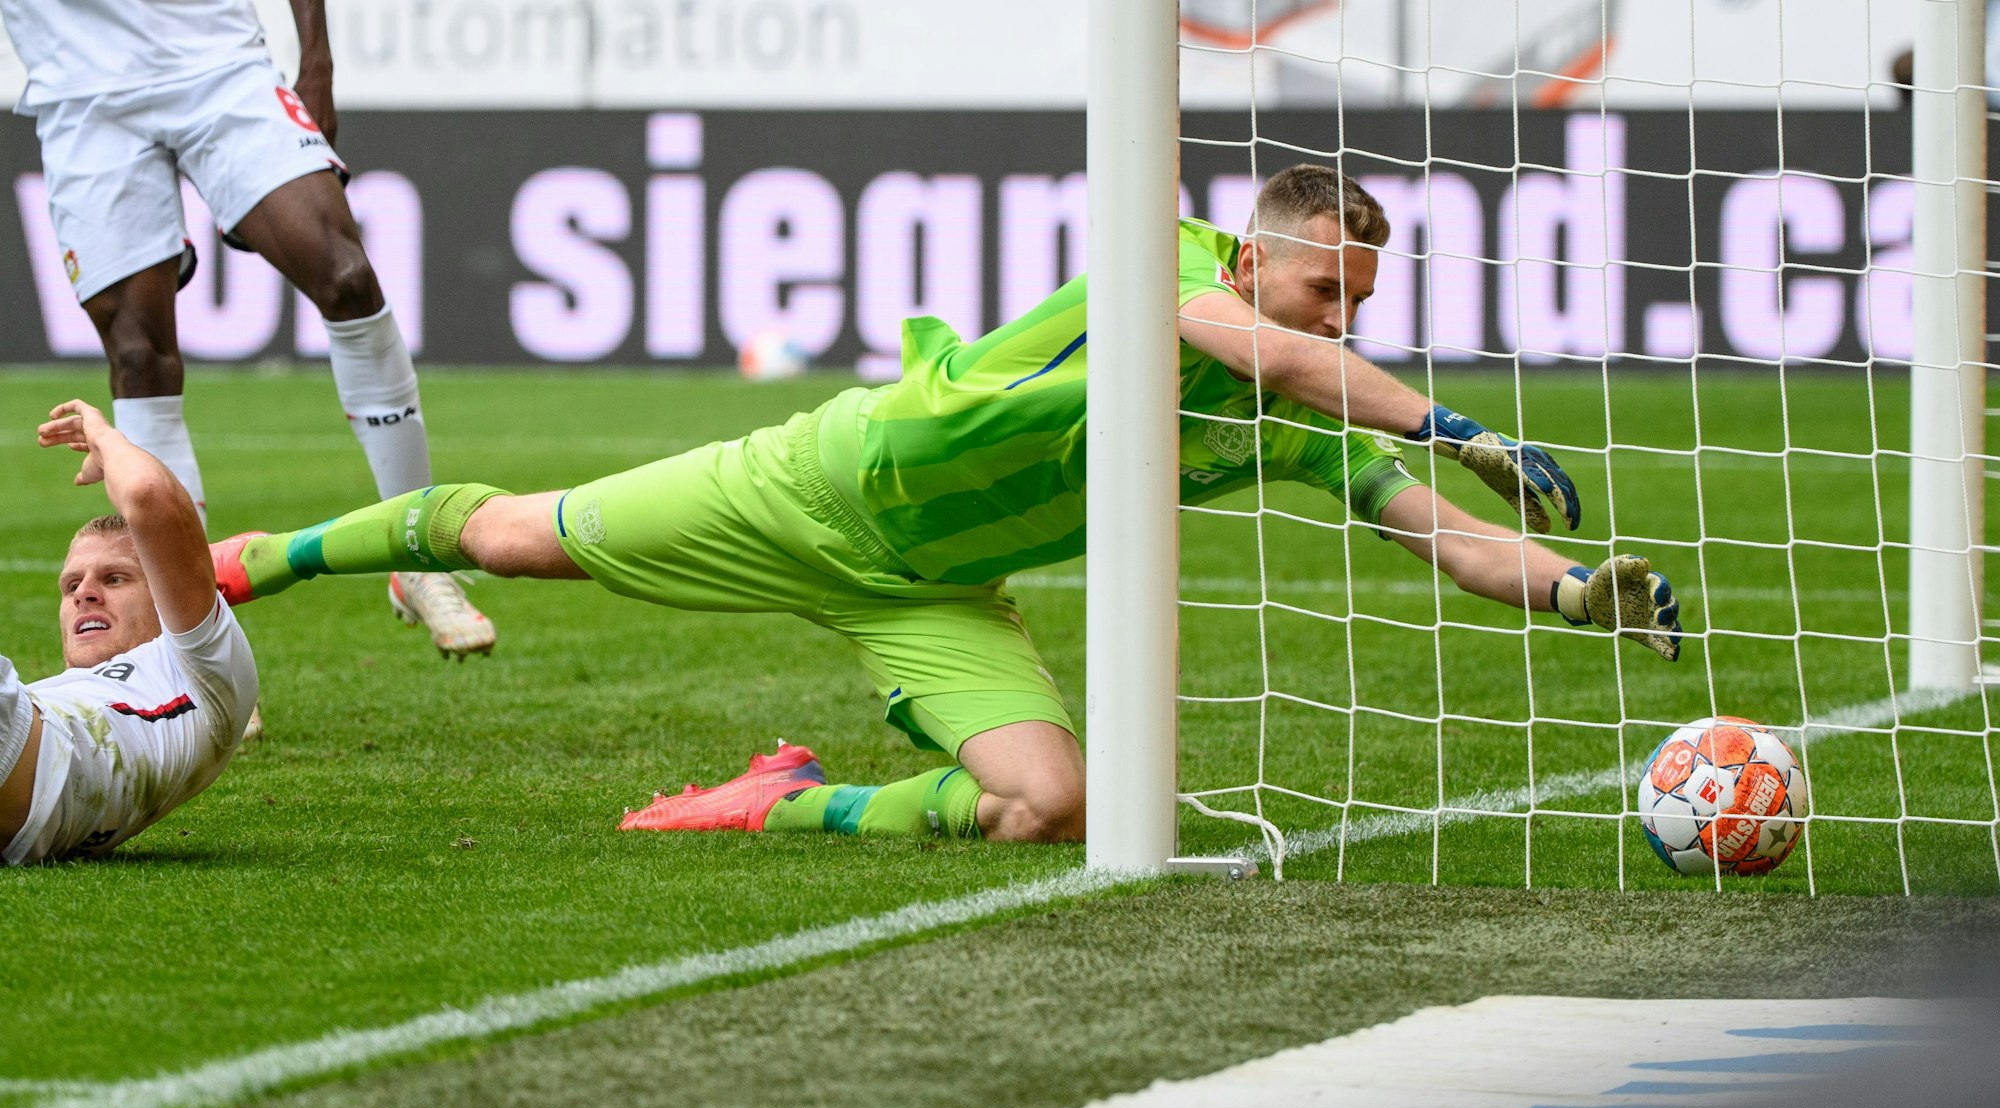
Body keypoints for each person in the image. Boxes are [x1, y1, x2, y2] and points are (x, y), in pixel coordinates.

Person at [208, 165, 1683, 845]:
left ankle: (783, 803)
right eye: (1327, 291)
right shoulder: (1163, 271)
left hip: (928, 592)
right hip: (808, 487)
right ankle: (261, 558)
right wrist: (1449, 409)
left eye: (1366, 302)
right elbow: (1251, 347)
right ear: (1252, 258)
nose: (1344, 322)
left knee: (1059, 805)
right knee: (511, 540)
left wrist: (1564, 590)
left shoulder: (1284, 423)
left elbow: (1426, 520)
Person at [0, 0, 493, 660]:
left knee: (346, 277)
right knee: (139, 356)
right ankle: (198, 640)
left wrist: (316, 59)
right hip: (83, 89)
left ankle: (419, 559)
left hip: (218, 62)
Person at [1, 401, 258, 865]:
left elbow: (146, 494)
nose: (85, 595)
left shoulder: (205, 669)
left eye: (114, 579)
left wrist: (103, 437)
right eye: (71, 585)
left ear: (166, 593)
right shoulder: (59, 691)